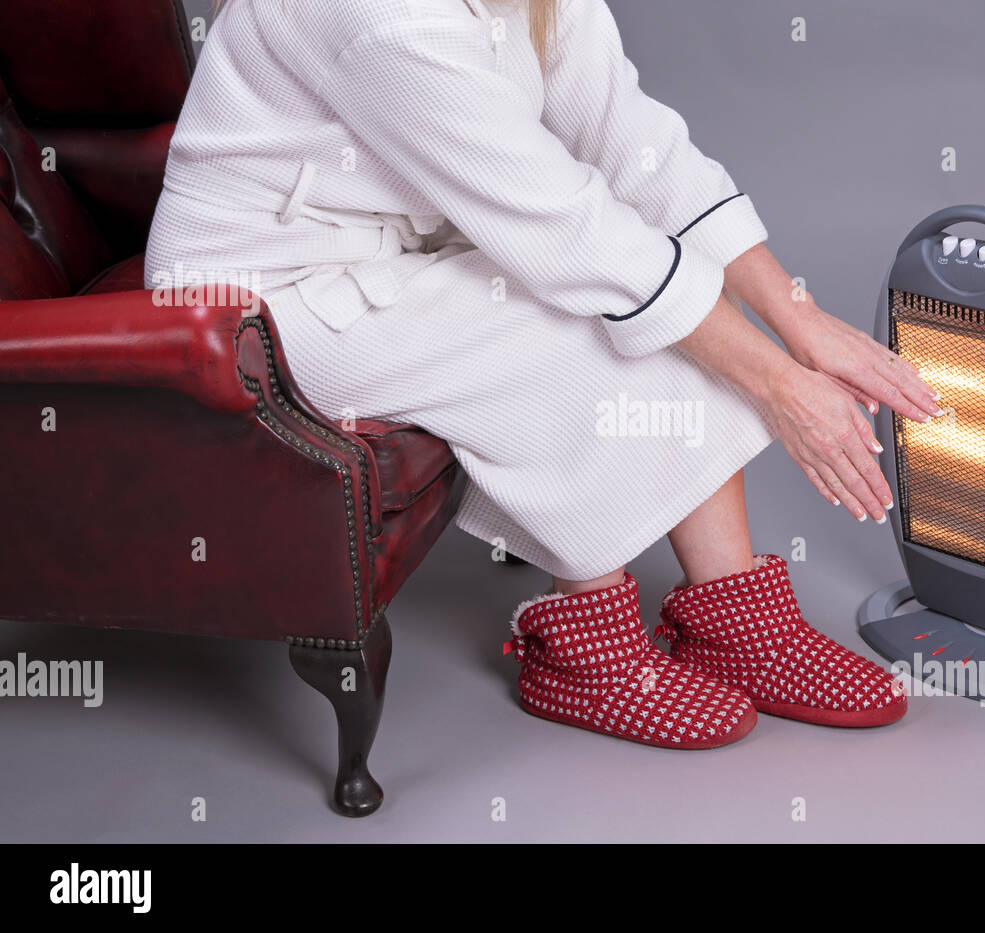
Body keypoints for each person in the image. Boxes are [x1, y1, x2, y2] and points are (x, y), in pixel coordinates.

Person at [146, 0, 942, 749]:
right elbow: (571, 231)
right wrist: (778, 383)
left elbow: (638, 147)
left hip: (388, 254)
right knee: (580, 327)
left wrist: (800, 323)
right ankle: (582, 652)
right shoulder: (376, 16)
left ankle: (736, 622)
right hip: (259, 301)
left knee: (665, 309)